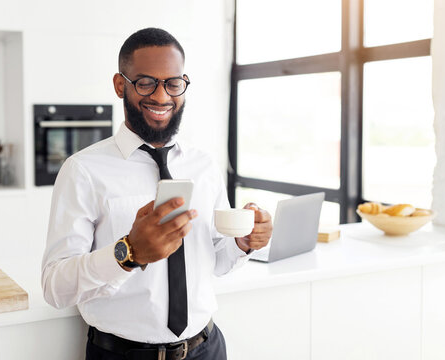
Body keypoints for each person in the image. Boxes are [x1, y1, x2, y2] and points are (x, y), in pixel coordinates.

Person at [41, 27, 273, 360]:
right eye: (146, 82)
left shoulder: (204, 166)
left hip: (206, 348)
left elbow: (217, 260)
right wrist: (129, 252)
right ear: (121, 84)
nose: (162, 97)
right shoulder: (83, 171)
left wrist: (244, 241)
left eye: (173, 83)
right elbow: (55, 287)